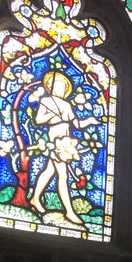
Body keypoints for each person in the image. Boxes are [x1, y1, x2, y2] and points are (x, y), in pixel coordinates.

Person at [30, 70, 100, 225]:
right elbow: (38, 120)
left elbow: (76, 124)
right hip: (55, 141)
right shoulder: (46, 101)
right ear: (50, 86)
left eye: (63, 87)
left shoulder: (67, 105)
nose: (61, 89)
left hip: (66, 140)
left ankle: (35, 198)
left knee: (49, 171)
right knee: (64, 176)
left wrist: (89, 120)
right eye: (58, 86)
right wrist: (53, 115)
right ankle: (69, 211)